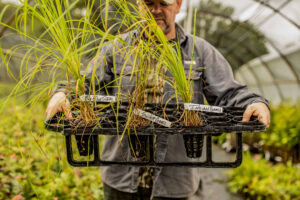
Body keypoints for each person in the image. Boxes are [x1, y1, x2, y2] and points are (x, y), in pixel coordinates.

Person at [45, 0, 271, 199]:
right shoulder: (116, 49)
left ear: (178, 5)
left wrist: (254, 103)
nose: (156, 10)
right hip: (121, 178)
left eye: (163, 3)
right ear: (138, 5)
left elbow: (229, 93)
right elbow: (83, 84)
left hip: (175, 182)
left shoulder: (199, 51)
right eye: (149, 3)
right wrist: (62, 93)